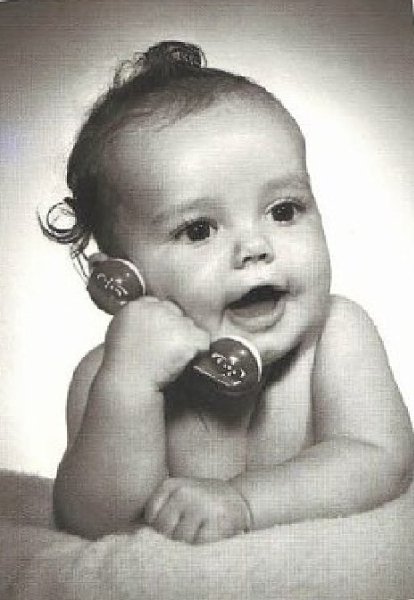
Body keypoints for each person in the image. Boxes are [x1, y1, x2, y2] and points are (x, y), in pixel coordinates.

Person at [43, 40, 414, 543]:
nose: (255, 247)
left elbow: (382, 460)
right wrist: (129, 387)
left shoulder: (335, 336)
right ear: (122, 278)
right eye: (199, 229)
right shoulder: (110, 376)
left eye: (283, 211)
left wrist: (245, 502)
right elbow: (92, 523)